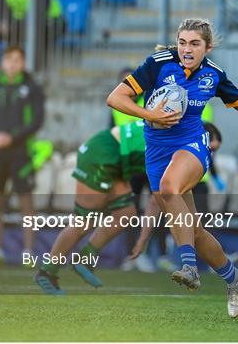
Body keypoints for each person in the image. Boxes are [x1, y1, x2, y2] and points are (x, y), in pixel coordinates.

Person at [106, 18, 238, 318]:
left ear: (208, 46)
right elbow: (115, 98)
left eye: (195, 43)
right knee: (195, 229)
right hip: (157, 150)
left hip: (192, 144)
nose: (187, 49)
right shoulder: (158, 63)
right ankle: (233, 277)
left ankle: (188, 266)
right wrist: (150, 114)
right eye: (183, 42)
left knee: (168, 187)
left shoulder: (214, 75)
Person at [34, 121, 223, 293]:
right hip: (102, 152)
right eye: (210, 149)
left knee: (126, 212)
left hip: (115, 154)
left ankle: (84, 260)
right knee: (84, 221)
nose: (210, 156)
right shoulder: (175, 150)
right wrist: (142, 241)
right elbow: (156, 202)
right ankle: (47, 271)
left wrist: (142, 240)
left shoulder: (178, 141)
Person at [0, 46, 45, 266]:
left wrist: (11, 137)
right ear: (2, 63)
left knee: (26, 203)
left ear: (23, 63)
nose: (12, 64)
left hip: (21, 153)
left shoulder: (33, 88)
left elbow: (36, 121)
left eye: (17, 60)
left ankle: (29, 252)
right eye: (8, 59)